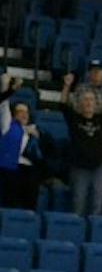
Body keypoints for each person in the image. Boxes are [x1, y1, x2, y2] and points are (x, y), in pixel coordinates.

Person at [59, 70, 102, 218]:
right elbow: (62, 104)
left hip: (98, 168)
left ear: (96, 104)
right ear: (80, 104)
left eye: (91, 100)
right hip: (79, 167)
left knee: (97, 204)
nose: (88, 103)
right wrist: (67, 86)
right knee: (78, 203)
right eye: (85, 100)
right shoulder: (74, 119)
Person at [0, 78, 44, 210]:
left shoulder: (37, 130)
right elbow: (3, 104)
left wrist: (37, 136)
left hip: (29, 168)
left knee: (32, 179)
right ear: (13, 115)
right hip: (9, 167)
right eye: (20, 111)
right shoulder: (8, 125)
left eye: (26, 112)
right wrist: (6, 87)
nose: (24, 114)